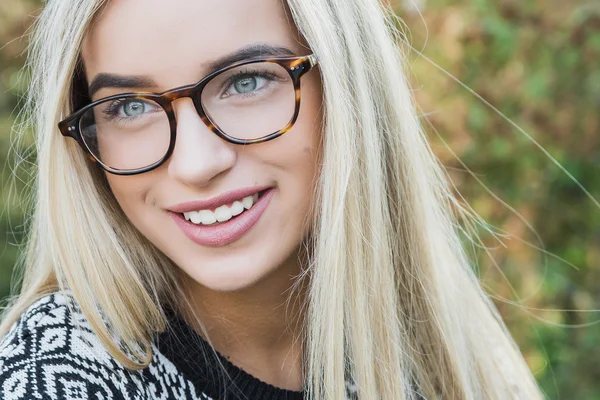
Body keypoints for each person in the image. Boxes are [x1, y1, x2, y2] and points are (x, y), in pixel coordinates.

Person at [0, 0, 544, 399]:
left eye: (245, 82)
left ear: (348, 88)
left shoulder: (444, 361)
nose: (195, 164)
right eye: (127, 107)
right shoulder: (56, 376)